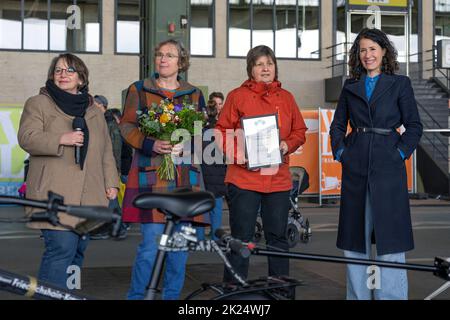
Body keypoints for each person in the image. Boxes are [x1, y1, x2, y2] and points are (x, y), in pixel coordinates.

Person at [329, 28, 423, 300]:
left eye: (372, 49)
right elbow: (337, 125)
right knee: (354, 241)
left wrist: (400, 154)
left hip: (388, 166)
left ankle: (390, 297)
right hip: (355, 165)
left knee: (389, 240)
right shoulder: (350, 86)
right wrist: (342, 152)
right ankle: (358, 296)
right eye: (362, 50)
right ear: (357, 55)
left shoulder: (400, 84)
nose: (367, 54)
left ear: (384, 51)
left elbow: (415, 126)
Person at [17, 53, 119, 289]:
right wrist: (62, 138)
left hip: (91, 194)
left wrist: (111, 182)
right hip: (53, 193)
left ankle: (69, 294)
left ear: (81, 79)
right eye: (58, 70)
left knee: (78, 251)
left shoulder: (93, 111)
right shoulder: (38, 103)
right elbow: (26, 138)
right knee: (61, 249)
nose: (63, 75)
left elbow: (105, 151)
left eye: (69, 70)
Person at [119, 39, 208, 300]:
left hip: (185, 179)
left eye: (169, 55)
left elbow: (200, 131)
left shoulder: (194, 93)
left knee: (179, 249)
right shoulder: (139, 89)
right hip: (151, 176)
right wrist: (151, 143)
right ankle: (137, 297)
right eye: (159, 54)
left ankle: (172, 298)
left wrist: (188, 141)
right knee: (150, 246)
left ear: (181, 62)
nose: (162, 59)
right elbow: (126, 126)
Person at [215, 45, 307, 289]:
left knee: (277, 238)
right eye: (259, 64)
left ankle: (279, 291)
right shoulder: (237, 96)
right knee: (241, 239)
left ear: (275, 67)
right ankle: (233, 292)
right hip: (244, 179)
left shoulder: (287, 98)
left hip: (277, 179)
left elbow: (300, 131)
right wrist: (241, 154)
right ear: (251, 69)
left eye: (269, 63)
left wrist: (287, 145)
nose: (265, 68)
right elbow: (222, 131)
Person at [90, 96, 128, 240]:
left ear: (102, 106)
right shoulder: (101, 121)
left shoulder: (109, 123)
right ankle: (114, 227)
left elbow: (114, 149)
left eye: (94, 105)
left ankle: (118, 228)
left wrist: (115, 171)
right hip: (103, 167)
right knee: (108, 199)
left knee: (110, 199)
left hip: (108, 168)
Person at [197, 94, 227, 241]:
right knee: (214, 204)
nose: (218, 107)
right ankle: (213, 235)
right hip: (215, 169)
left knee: (204, 204)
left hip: (210, 169)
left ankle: (201, 236)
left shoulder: (200, 126)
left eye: (220, 103)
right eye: (216, 104)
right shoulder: (221, 126)